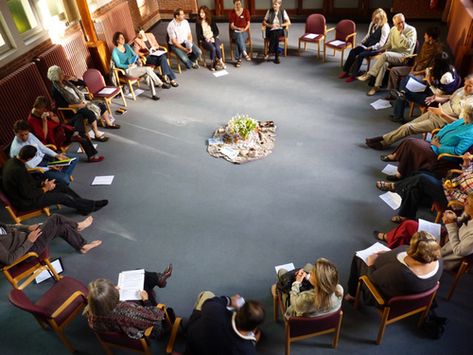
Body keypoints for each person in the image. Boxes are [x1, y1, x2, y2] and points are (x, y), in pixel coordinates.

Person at [366, 74, 473, 149]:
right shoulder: (461, 90)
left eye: (470, 86)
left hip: (441, 121)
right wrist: (436, 98)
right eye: (465, 84)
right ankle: (383, 139)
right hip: (435, 112)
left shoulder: (470, 105)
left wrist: (442, 114)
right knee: (409, 124)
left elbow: (460, 124)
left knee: (408, 128)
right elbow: (450, 97)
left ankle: (383, 142)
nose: (465, 87)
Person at [374, 194, 473, 271]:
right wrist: (454, 219)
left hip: (445, 251)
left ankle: (388, 250)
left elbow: (459, 251)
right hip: (446, 237)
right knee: (409, 225)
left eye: (467, 202)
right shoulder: (470, 212)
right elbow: (463, 221)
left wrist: (451, 225)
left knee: (407, 229)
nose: (464, 203)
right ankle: (390, 252)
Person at [2, 145, 108, 215]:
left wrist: (43, 183)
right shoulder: (17, 170)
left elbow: (28, 182)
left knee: (61, 186)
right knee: (61, 197)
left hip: (28, 193)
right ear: (30, 158)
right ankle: (90, 205)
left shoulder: (13, 161)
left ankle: (83, 206)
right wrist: (45, 189)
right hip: (26, 202)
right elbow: (28, 194)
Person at [379, 103, 473, 180]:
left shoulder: (470, 133)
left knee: (411, 143)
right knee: (410, 142)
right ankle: (398, 166)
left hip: (441, 153)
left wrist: (438, 145)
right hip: (435, 144)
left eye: (464, 112)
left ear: (468, 116)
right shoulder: (463, 121)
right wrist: (437, 136)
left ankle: (398, 170)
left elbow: (458, 151)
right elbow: (448, 127)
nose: (462, 113)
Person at [345, 231, 442, 303]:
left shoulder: (400, 272)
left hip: (386, 298)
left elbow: (372, 279)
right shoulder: (439, 261)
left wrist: (370, 264)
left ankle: (352, 295)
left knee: (358, 259)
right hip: (416, 296)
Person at [86, 264, 173, 339]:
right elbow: (154, 317)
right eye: (113, 288)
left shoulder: (93, 307)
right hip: (141, 329)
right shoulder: (127, 312)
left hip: (118, 322)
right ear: (111, 299)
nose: (116, 287)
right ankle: (166, 326)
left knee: (138, 274)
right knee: (143, 286)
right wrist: (146, 300)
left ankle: (160, 278)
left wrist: (112, 293)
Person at [47, 65, 119, 140]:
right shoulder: (55, 90)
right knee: (89, 112)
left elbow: (83, 84)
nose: (63, 73)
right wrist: (79, 105)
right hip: (72, 109)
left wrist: (74, 79)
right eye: (61, 73)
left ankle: (108, 123)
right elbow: (62, 105)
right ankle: (96, 134)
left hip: (82, 102)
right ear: (56, 76)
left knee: (100, 103)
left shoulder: (66, 82)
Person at [0, 214, 101, 265]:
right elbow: (10, 260)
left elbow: (9, 226)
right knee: (55, 218)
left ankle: (83, 246)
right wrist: (29, 241)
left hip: (27, 236)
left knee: (62, 227)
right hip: (28, 250)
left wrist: (27, 228)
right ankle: (78, 226)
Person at [27, 96, 103, 163]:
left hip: (62, 129)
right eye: (43, 109)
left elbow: (58, 121)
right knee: (82, 136)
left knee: (79, 115)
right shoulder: (32, 120)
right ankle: (91, 156)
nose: (45, 111)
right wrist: (44, 121)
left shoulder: (44, 112)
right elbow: (43, 136)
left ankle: (76, 133)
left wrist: (51, 116)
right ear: (38, 108)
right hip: (57, 138)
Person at [185, 292, 265, 355]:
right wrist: (252, 342)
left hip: (193, 343)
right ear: (254, 328)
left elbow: (209, 302)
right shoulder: (248, 351)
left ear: (239, 310)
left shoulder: (215, 311)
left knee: (207, 294)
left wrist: (230, 300)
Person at [390, 51, 460, 123]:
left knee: (405, 93)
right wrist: (428, 73)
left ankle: (399, 109)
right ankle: (402, 95)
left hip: (433, 99)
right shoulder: (449, 68)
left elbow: (437, 94)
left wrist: (429, 81)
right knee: (408, 78)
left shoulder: (446, 77)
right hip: (430, 91)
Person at [357, 13, 417, 96]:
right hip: (393, 55)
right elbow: (388, 44)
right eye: (398, 23)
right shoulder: (393, 29)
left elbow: (409, 45)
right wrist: (379, 50)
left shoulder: (411, 30)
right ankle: (376, 86)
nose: (401, 24)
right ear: (394, 23)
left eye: (402, 22)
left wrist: (401, 34)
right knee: (384, 63)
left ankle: (370, 74)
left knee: (385, 55)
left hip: (404, 57)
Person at [10, 120, 78, 186]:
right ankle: (61, 178)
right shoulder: (16, 149)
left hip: (45, 157)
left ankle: (60, 178)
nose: (24, 137)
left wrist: (56, 155)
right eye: (21, 135)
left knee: (74, 158)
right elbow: (29, 167)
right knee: (65, 179)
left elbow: (42, 147)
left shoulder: (30, 135)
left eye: (26, 134)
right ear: (15, 133)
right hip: (39, 168)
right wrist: (49, 168)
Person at [112, 32, 169, 101]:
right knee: (148, 69)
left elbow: (134, 55)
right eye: (121, 38)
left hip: (135, 67)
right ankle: (160, 83)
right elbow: (118, 64)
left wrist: (138, 59)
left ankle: (154, 94)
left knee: (148, 75)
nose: (123, 39)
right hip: (128, 70)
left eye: (123, 37)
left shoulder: (127, 46)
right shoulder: (115, 51)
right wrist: (127, 65)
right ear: (117, 40)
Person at [385, 26, 443, 95]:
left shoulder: (437, 51)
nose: (424, 36)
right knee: (393, 70)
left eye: (426, 35)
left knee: (407, 79)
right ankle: (392, 93)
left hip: (424, 74)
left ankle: (402, 97)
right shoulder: (426, 44)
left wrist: (415, 73)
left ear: (430, 38)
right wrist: (413, 69)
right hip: (416, 69)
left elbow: (431, 69)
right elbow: (418, 58)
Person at [339, 8, 389, 82]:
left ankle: (353, 75)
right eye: (374, 18)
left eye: (377, 19)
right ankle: (346, 71)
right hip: (367, 44)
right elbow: (368, 35)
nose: (375, 20)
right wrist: (361, 43)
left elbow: (382, 43)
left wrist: (371, 47)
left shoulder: (385, 27)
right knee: (353, 51)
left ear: (382, 19)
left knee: (361, 55)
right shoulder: (372, 23)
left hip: (376, 48)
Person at [196, 6, 226, 71]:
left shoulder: (211, 20)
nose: (201, 14)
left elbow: (216, 31)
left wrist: (213, 37)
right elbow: (198, 35)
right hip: (204, 39)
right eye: (200, 12)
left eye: (203, 13)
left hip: (213, 37)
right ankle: (212, 63)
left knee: (217, 47)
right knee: (213, 48)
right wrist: (205, 39)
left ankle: (220, 62)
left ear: (206, 13)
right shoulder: (198, 22)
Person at [262, 0, 290, 64]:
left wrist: (280, 25)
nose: (274, 6)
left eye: (276, 4)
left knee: (276, 33)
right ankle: (276, 57)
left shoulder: (283, 11)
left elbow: (288, 22)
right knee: (275, 35)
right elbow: (264, 22)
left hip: (279, 29)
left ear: (279, 5)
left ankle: (270, 51)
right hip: (271, 30)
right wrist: (270, 25)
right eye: (273, 4)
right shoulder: (269, 11)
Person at [228, 0, 251, 68]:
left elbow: (248, 23)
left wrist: (244, 29)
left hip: (244, 31)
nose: (238, 5)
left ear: (241, 3)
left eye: (239, 3)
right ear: (234, 4)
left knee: (239, 39)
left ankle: (239, 59)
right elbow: (231, 26)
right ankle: (244, 53)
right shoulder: (232, 12)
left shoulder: (246, 11)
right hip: (235, 32)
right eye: (236, 4)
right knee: (238, 35)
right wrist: (238, 28)